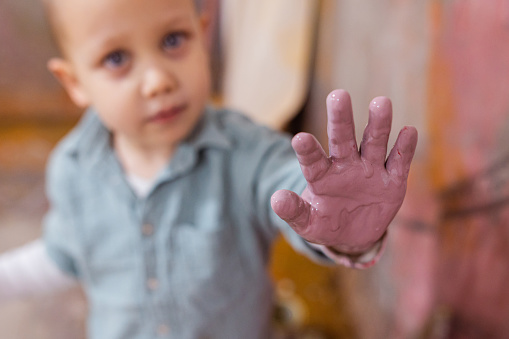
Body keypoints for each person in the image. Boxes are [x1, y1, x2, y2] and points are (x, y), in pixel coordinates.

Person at [0, 0, 418, 337]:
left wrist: (340, 230)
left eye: (172, 40)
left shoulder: (245, 151)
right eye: (116, 59)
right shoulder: (72, 170)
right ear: (74, 82)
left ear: (202, 34)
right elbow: (64, 255)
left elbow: (292, 186)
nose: (157, 80)